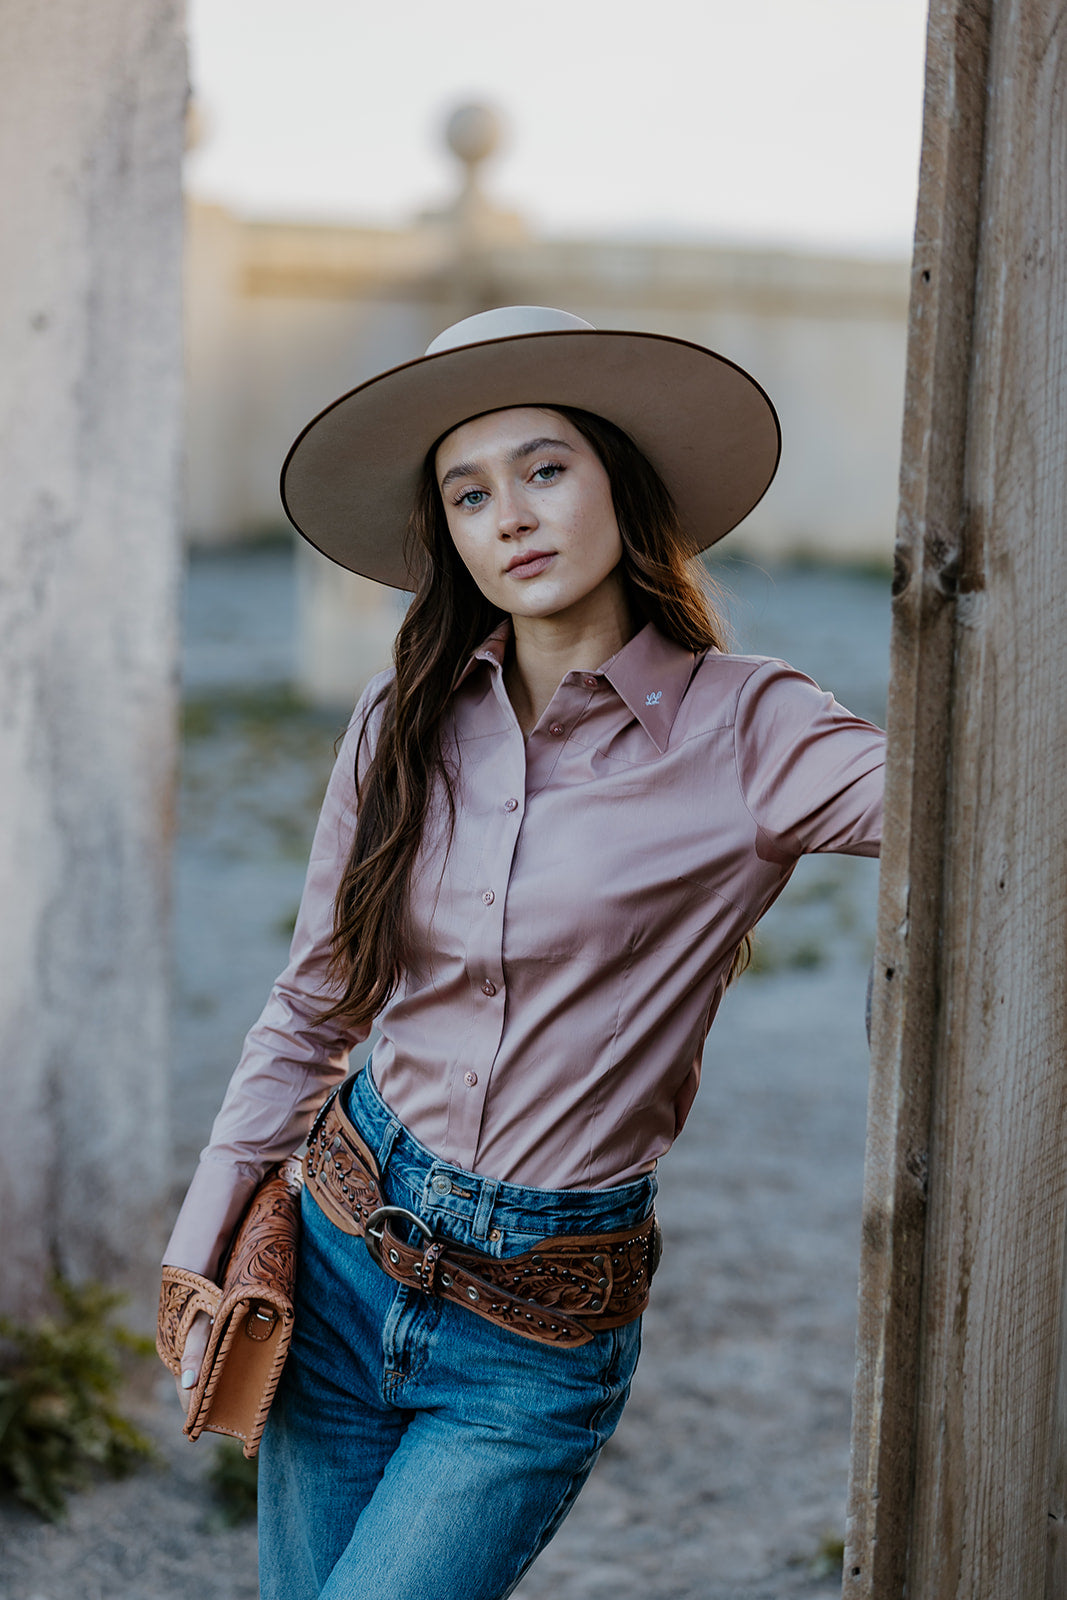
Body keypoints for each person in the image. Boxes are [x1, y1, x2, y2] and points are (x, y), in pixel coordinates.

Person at [162, 305, 885, 1600]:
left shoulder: (755, 731)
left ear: (618, 477)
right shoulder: (402, 718)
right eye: (469, 491)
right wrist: (207, 1224)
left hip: (534, 1333)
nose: (512, 515)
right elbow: (321, 993)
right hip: (338, 1245)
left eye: (545, 468)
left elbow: (982, 797)